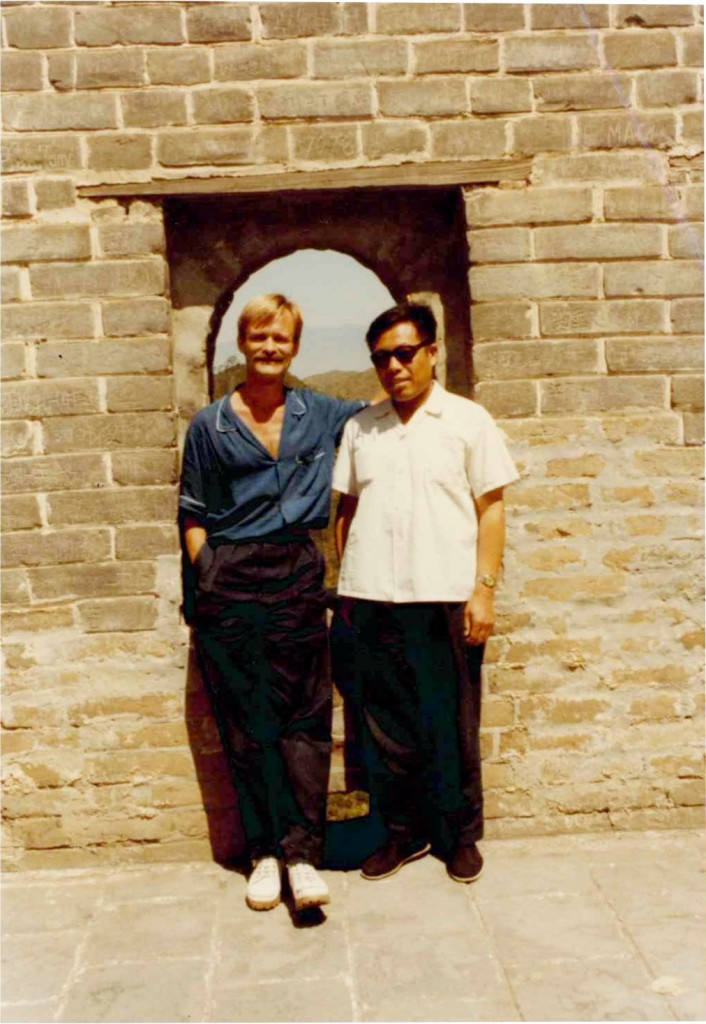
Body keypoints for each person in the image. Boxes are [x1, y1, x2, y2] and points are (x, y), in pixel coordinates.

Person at [179, 293, 366, 912]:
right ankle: (263, 853)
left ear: (295, 346)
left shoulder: (322, 412)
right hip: (231, 574)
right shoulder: (211, 424)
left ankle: (304, 855)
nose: (269, 347)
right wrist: (209, 571)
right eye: (259, 336)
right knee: (246, 721)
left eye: (281, 338)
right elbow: (194, 512)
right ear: (244, 339)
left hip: (296, 570)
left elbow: (384, 414)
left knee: (305, 718)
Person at [333, 303, 518, 884]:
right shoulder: (362, 427)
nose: (394, 366)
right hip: (373, 599)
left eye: (404, 353)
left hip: (444, 595)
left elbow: (492, 510)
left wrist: (482, 591)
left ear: (432, 352)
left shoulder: (467, 421)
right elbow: (347, 510)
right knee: (386, 728)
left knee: (451, 723)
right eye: (382, 357)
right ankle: (403, 834)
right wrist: (350, 584)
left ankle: (458, 837)